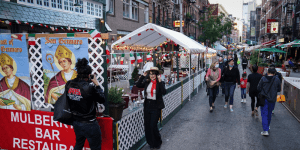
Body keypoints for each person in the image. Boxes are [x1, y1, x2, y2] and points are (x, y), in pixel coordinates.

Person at [67, 58, 105, 150]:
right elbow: (102, 99)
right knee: (95, 147)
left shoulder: (69, 84)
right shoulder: (90, 87)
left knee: (78, 145)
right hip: (90, 123)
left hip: (76, 122)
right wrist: (97, 84)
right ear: (89, 75)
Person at [136, 67, 166, 149]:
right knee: (147, 125)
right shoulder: (147, 82)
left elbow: (164, 92)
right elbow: (138, 85)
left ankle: (158, 141)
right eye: (151, 74)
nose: (152, 76)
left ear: (157, 75)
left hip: (156, 106)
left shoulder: (160, 82)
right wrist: (142, 76)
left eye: (154, 74)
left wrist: (159, 82)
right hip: (147, 105)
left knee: (153, 125)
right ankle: (151, 143)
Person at [257, 67, 281, 136]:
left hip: (264, 98)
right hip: (272, 99)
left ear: (268, 72)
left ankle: (265, 130)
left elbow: (258, 88)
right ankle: (268, 126)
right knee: (269, 113)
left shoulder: (263, 78)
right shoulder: (277, 79)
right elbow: (279, 89)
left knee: (264, 114)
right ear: (274, 73)